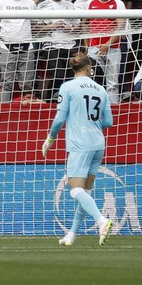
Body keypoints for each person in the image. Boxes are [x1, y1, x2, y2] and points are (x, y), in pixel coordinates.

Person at [41, 49, 114, 246]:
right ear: (89, 68)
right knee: (85, 192)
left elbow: (59, 119)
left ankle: (102, 221)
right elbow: (109, 121)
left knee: (75, 191)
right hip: (98, 144)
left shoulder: (68, 87)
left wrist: (50, 139)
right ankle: (71, 235)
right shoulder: (101, 89)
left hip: (79, 145)